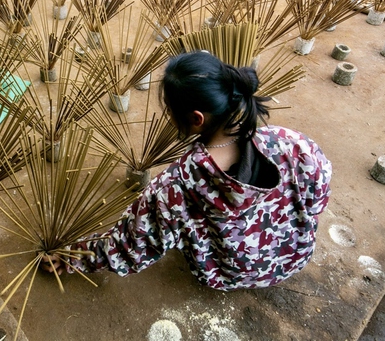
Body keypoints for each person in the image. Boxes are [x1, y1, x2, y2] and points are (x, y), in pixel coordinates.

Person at [43, 51, 332, 291]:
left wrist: (73, 257)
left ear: (196, 119)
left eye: (170, 110)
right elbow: (318, 199)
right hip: (295, 256)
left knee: (173, 224)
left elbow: (132, 246)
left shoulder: (177, 186)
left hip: (231, 274)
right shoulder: (294, 144)